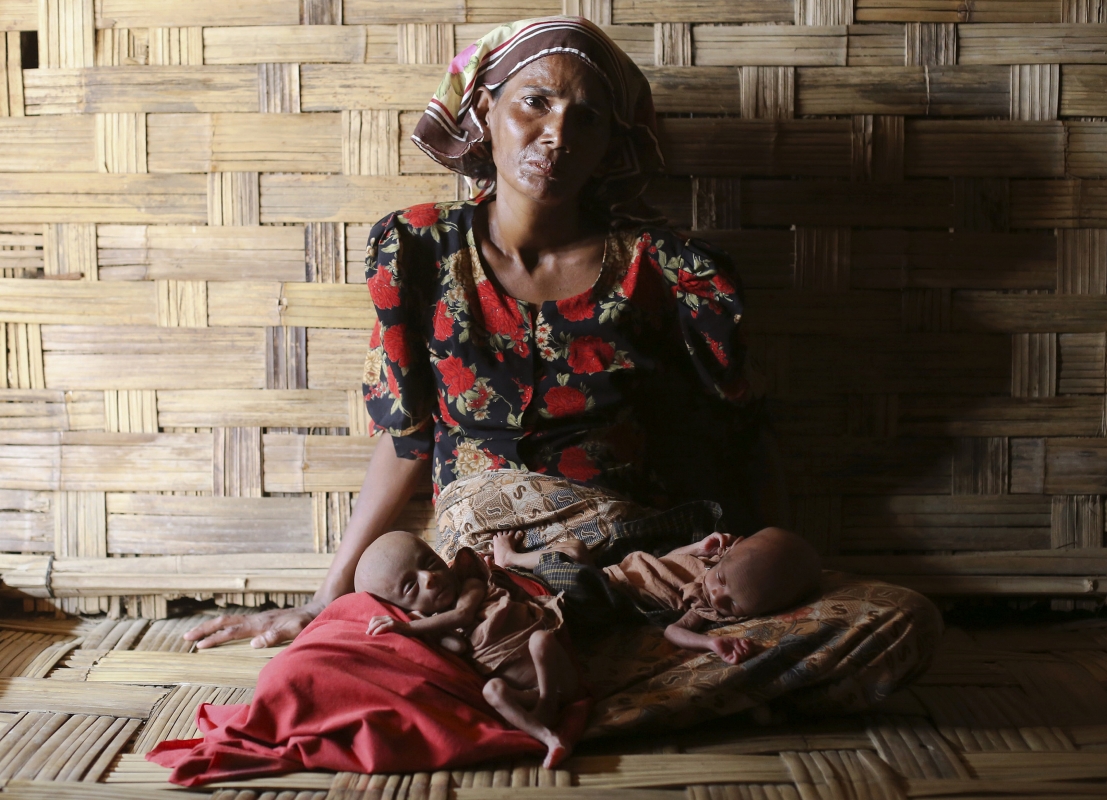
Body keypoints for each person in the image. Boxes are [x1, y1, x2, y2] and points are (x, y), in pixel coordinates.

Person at [185, 16, 815, 653]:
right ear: (485, 108)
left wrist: (774, 564)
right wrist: (328, 598)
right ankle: (571, 674)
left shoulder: (668, 269)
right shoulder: (420, 250)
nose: (557, 134)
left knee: (897, 621)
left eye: (588, 117)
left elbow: (742, 433)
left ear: (610, 143)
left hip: (636, 574)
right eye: (534, 103)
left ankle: (548, 678)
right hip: (477, 584)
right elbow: (406, 438)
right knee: (357, 654)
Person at [355, 531, 578, 767]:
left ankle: (548, 704)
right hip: (527, 695)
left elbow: (462, 615)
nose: (429, 578)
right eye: (411, 587)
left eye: (430, 563)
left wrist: (408, 627)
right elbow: (457, 645)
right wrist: (428, 629)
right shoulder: (434, 626)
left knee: (540, 641)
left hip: (559, 678)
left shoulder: (471, 586)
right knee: (493, 691)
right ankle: (549, 738)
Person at [492, 527, 821, 664]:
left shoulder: (707, 607)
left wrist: (711, 643)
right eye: (719, 579)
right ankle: (515, 566)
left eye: (733, 603)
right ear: (726, 554)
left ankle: (510, 561)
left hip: (600, 592)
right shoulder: (714, 563)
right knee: (577, 549)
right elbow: (670, 562)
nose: (717, 594)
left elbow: (672, 631)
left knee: (571, 556)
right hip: (608, 571)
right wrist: (696, 547)